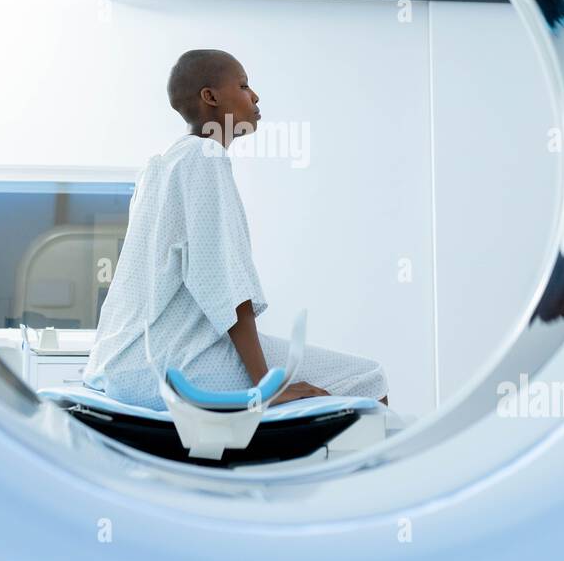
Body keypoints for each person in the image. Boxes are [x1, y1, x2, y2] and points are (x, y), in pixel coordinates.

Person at [82, 49, 389, 410]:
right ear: (210, 97)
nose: (255, 96)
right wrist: (265, 386)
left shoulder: (161, 165)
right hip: (166, 366)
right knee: (368, 379)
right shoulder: (204, 159)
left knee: (325, 372)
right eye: (243, 85)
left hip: (121, 364)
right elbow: (226, 284)